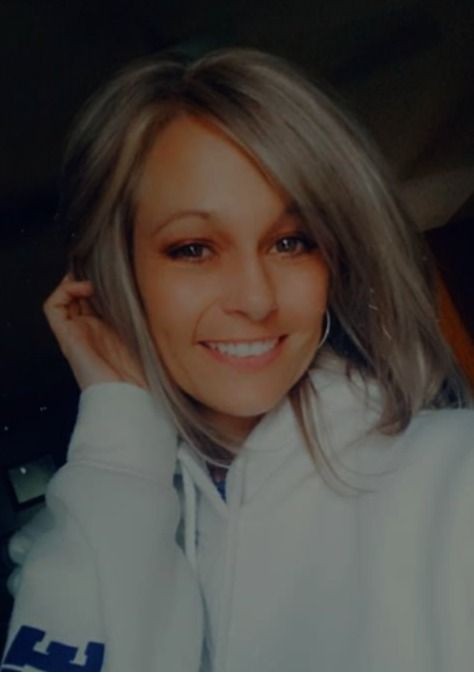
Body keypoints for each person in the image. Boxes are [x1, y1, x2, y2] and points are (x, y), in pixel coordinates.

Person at [1, 46, 473, 672]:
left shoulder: (455, 475)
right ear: (119, 274)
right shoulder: (67, 539)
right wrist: (118, 432)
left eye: (291, 241)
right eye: (193, 248)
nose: (256, 300)